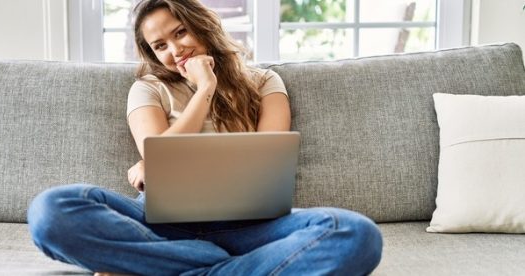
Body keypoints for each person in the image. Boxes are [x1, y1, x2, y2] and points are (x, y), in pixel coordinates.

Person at [27, 0, 383, 275]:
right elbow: (160, 159)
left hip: (251, 226)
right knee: (50, 210)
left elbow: (268, 160)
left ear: (202, 25)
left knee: (354, 233)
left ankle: (160, 267)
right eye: (160, 46)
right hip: (157, 224)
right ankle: (211, 262)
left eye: (180, 33)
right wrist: (205, 89)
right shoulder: (147, 89)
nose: (175, 50)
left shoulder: (265, 83)